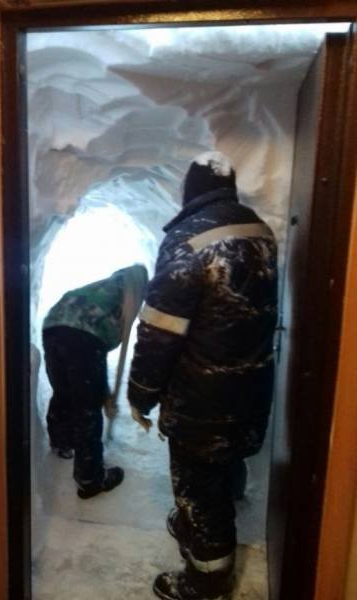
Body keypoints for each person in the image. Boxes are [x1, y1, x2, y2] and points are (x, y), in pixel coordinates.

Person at [128, 152, 278, 599]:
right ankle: (203, 519)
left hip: (202, 397)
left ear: (190, 191)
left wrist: (141, 392)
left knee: (199, 489)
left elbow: (159, 331)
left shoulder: (188, 240)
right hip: (251, 385)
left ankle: (206, 581)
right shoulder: (259, 230)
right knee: (226, 463)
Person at [42, 263, 148, 499]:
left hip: (54, 326)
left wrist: (104, 392)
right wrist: (103, 397)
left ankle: (61, 441)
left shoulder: (105, 288)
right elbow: (92, 356)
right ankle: (90, 479)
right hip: (83, 335)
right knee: (87, 409)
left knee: (64, 391)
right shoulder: (128, 296)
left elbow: (93, 368)